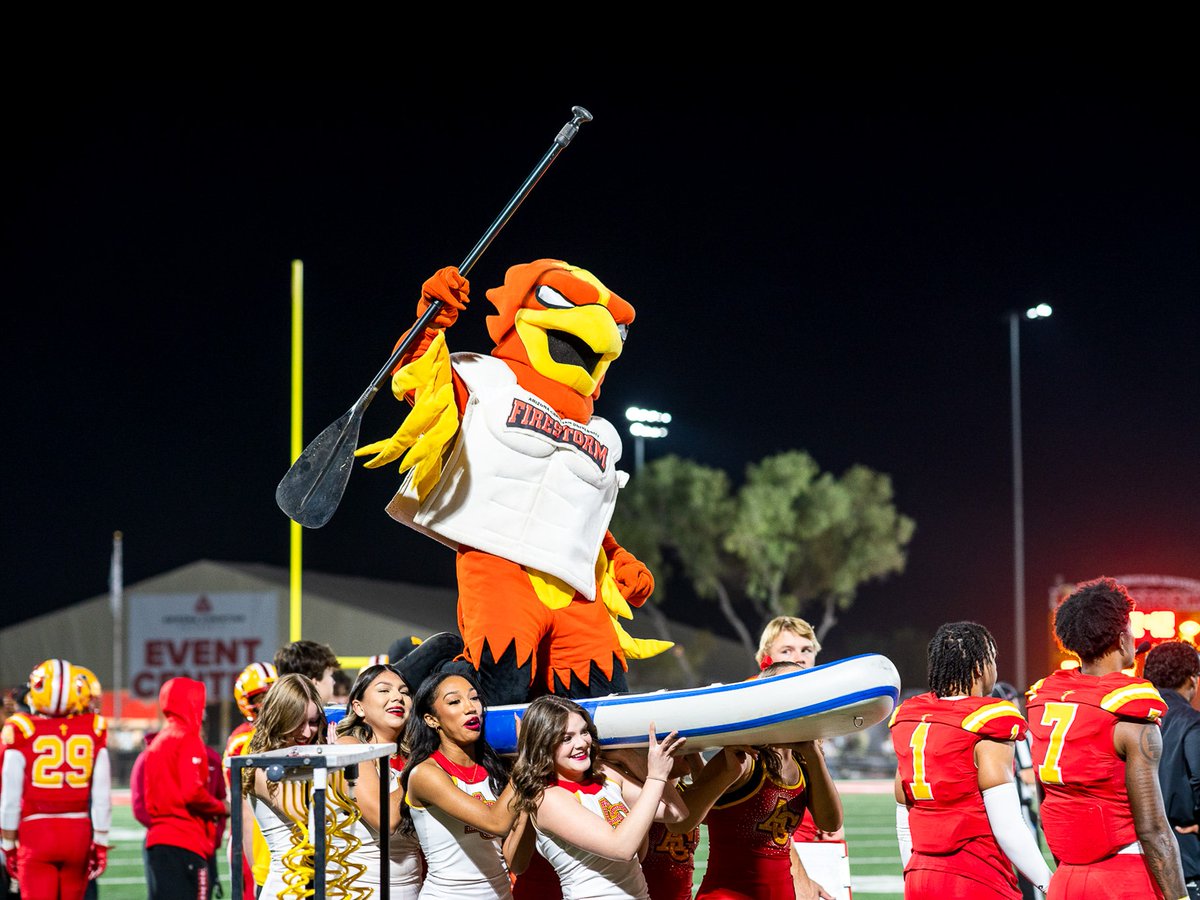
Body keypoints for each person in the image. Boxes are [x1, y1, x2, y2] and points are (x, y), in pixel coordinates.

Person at [1027, 576, 1187, 899]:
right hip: (1124, 876)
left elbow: (1049, 810)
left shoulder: (1045, 702)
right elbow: (1154, 831)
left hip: (1066, 879)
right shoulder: (1129, 713)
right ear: (1121, 638)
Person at [890, 622, 1052, 899]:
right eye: (993, 660)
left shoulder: (912, 718)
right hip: (975, 876)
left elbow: (904, 822)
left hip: (920, 877)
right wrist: (1050, 884)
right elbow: (1008, 827)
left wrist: (915, 874)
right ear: (980, 667)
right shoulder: (985, 721)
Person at [505, 694, 687, 900]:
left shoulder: (605, 774)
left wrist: (632, 760)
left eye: (584, 732)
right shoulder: (548, 798)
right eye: (566, 738)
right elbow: (622, 848)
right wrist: (655, 776)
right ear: (543, 745)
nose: (581, 743)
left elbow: (677, 813)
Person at [695, 660, 841, 900]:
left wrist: (814, 755)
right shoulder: (743, 758)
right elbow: (683, 821)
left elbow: (830, 822)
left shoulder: (803, 764)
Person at [399, 671, 523, 898]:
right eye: (455, 701)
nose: (470, 708)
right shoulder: (426, 773)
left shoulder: (496, 769)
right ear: (432, 719)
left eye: (474, 698)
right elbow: (495, 823)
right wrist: (527, 762)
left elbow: (517, 863)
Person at [1, 659, 111, 900]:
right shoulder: (94, 728)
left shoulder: (22, 728)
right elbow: (103, 796)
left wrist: (8, 843)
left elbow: (9, 798)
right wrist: (101, 841)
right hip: (78, 832)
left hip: (36, 831)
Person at [335, 663, 425, 898]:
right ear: (359, 707)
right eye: (384, 690)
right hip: (363, 890)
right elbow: (384, 820)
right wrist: (422, 768)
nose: (397, 697)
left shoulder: (412, 755)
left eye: (405, 692)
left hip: (414, 889)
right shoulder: (349, 747)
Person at [141, 675, 229, 899]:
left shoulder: (158, 742)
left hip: (159, 841)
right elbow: (192, 793)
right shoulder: (187, 739)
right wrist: (222, 807)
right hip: (186, 841)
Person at [241, 673, 327, 898]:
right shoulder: (260, 764)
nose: (308, 732)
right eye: (298, 722)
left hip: (316, 885)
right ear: (281, 717)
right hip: (286, 888)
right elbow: (306, 815)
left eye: (314, 722)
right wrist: (335, 765)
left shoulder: (303, 758)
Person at [1143, 640, 1200, 898]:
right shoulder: (1191, 722)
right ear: (1192, 679)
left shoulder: (1128, 719)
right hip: (1185, 856)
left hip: (1137, 856)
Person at [225, 660, 277, 898]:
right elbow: (240, 800)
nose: (266, 703)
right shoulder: (242, 740)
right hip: (251, 830)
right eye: (260, 697)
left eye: (271, 694)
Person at [274, 640, 341, 705]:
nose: (333, 682)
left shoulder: (272, 712)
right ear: (314, 683)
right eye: (330, 675)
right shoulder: (331, 715)